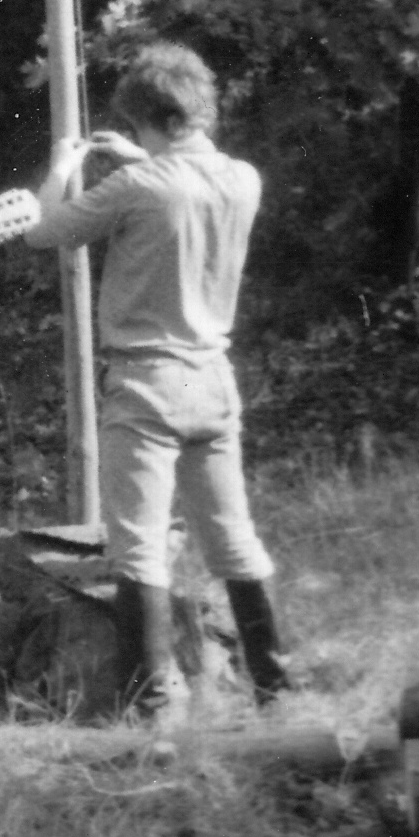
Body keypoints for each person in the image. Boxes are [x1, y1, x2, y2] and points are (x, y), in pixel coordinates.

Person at [23, 40, 292, 719]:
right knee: (234, 541)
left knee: (139, 550)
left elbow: (43, 230)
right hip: (213, 380)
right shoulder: (243, 178)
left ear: (149, 119)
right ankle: (277, 686)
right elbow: (182, 186)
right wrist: (143, 156)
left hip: (147, 383)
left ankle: (153, 702)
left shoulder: (138, 186)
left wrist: (64, 165)